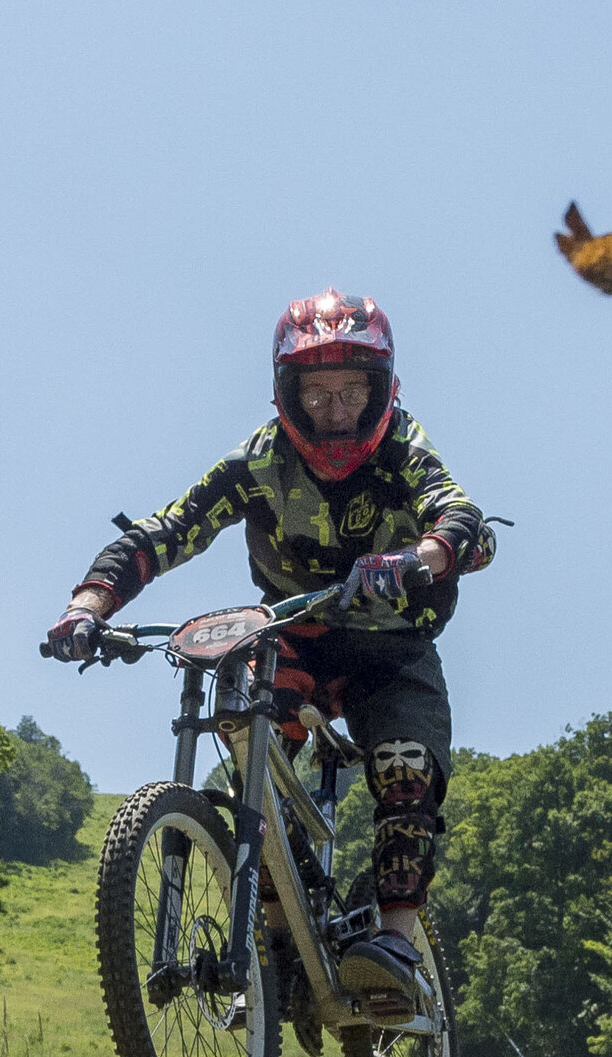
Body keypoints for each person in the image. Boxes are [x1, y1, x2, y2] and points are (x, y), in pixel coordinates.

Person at [46, 289, 494, 1007]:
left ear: (382, 390)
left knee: (406, 768)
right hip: (296, 634)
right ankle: (281, 930)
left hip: (394, 642)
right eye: (317, 393)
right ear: (288, 394)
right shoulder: (258, 462)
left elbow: (459, 511)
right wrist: (88, 604)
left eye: (352, 390)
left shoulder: (404, 449)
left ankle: (397, 941)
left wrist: (427, 553)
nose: (336, 411)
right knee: (245, 732)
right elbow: (167, 531)